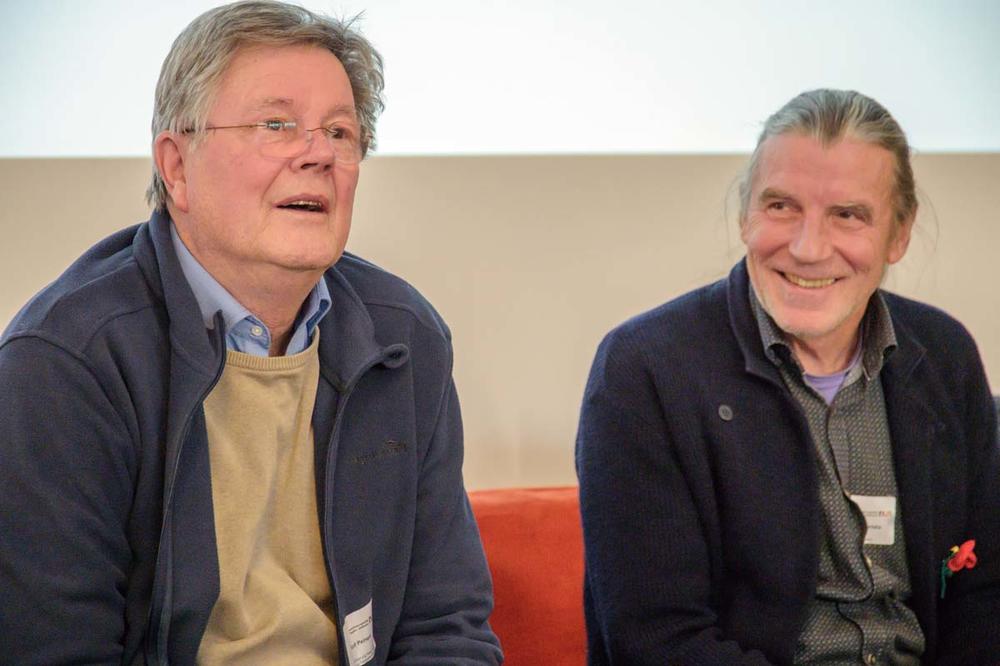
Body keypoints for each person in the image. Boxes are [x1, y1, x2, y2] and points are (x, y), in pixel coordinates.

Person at [0, 2, 501, 663]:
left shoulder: (403, 337)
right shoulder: (66, 361)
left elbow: (446, 625)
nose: (318, 154)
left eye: (340, 132)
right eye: (276, 125)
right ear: (177, 167)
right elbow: (57, 649)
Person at [576, 89, 1000, 664]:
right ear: (744, 215)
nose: (807, 247)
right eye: (781, 207)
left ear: (898, 235)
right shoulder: (646, 369)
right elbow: (657, 640)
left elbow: (984, 600)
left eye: (847, 215)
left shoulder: (945, 357)